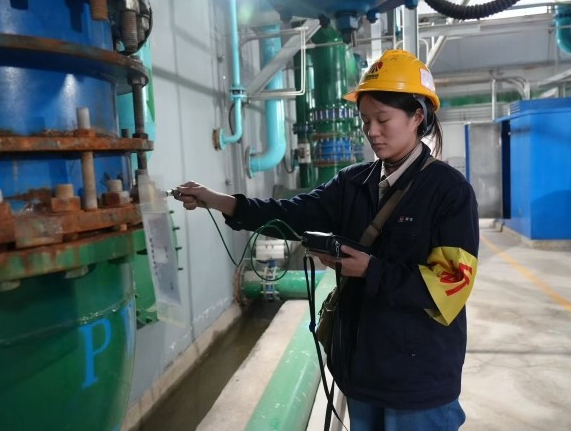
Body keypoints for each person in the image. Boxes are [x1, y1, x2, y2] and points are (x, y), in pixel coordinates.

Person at [173, 49, 479, 431]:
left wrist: (370, 270)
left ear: (417, 116)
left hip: (418, 382)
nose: (371, 131)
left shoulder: (449, 191)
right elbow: (290, 214)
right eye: (365, 120)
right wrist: (221, 202)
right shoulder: (353, 183)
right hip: (361, 373)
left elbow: (451, 285)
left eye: (383, 119)